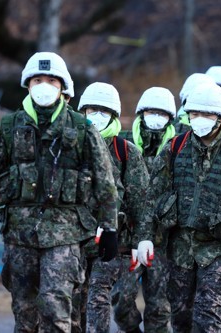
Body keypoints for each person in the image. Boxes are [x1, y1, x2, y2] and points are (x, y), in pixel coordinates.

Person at [0, 52, 119, 332]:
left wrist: (110, 228)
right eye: (38, 79)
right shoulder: (10, 128)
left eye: (51, 80)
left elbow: (104, 181)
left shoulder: (82, 128)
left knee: (55, 308)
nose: (44, 85)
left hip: (67, 235)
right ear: (28, 85)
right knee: (24, 313)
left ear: (64, 89)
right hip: (19, 235)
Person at [134, 82, 221, 332]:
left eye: (205, 114)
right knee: (181, 318)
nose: (199, 119)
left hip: (219, 250)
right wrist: (144, 237)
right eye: (194, 114)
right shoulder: (175, 147)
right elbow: (153, 195)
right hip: (180, 247)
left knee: (208, 316)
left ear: (219, 117)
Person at [74, 82, 149, 333]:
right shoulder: (70, 147)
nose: (97, 116)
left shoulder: (126, 152)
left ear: (114, 116)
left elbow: (141, 202)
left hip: (114, 242)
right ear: (82, 112)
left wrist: (139, 243)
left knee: (98, 296)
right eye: (92, 110)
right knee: (76, 301)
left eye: (103, 111)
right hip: (74, 239)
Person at [111, 86, 176, 333]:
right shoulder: (123, 144)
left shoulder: (179, 147)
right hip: (128, 240)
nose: (155, 117)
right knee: (121, 300)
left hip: (164, 243)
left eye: (161, 113)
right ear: (141, 113)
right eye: (151, 111)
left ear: (170, 117)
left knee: (159, 308)